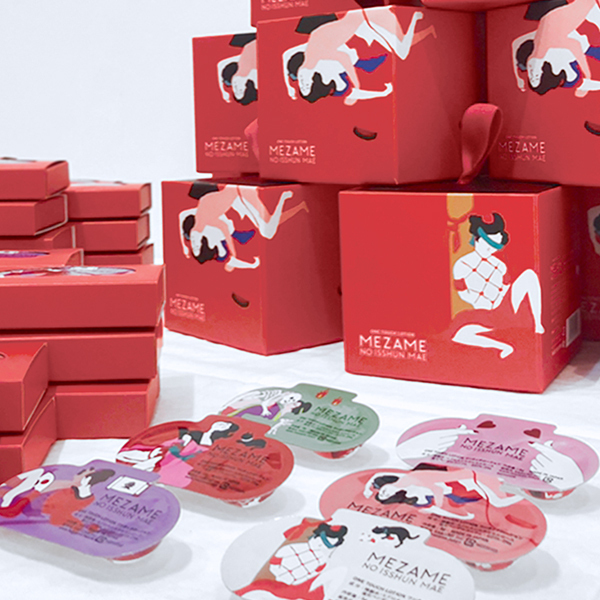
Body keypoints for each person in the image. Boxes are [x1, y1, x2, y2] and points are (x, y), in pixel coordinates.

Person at [283, 7, 436, 105]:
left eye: (302, 84)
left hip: (369, 19)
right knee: (402, 42)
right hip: (362, 24)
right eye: (305, 85)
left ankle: (415, 18)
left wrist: (357, 86)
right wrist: (289, 86)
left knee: (402, 51)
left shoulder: (320, 54)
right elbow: (286, 57)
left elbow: (344, 59)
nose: (302, 82)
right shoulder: (310, 50)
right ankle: (429, 30)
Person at [451, 213, 544, 359]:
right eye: (488, 244)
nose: (491, 250)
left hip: (504, 307)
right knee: (459, 335)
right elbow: (462, 292)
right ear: (477, 239)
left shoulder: (499, 264)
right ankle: (503, 346)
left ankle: (538, 323)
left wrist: (502, 298)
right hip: (483, 313)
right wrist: (478, 299)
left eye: (496, 247)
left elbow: (506, 285)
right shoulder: (461, 264)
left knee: (529, 275)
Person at [179, 182, 308, 272]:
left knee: (268, 231)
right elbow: (226, 233)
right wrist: (234, 255)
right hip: (237, 198)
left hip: (240, 193)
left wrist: (184, 247)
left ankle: (283, 198)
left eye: (193, 246)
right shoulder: (210, 220)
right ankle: (300, 206)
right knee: (268, 225)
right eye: (197, 246)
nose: (193, 243)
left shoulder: (199, 217)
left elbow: (181, 216)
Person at [512, 0, 600, 96]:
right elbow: (515, 44)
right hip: (579, 14)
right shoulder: (542, 42)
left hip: (586, 8)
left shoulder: (546, 41)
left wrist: (588, 77)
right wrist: (518, 77)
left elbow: (576, 47)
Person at [217, 33, 258, 105]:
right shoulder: (255, 70)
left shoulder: (240, 63)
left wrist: (223, 91)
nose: (235, 87)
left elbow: (220, 64)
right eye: (240, 90)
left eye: (235, 91)